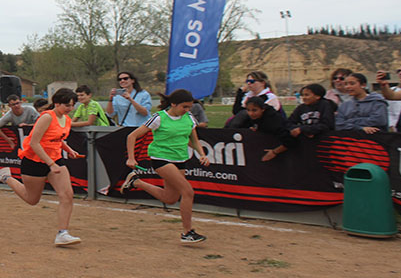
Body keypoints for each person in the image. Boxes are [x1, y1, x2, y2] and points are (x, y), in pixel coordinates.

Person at [0, 88, 85, 247]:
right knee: (32, 199)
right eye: (67, 105)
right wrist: (50, 164)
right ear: (57, 103)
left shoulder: (66, 119)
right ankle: (6, 177)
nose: (70, 108)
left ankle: (62, 233)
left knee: (67, 194)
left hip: (55, 159)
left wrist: (69, 150)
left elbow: (57, 138)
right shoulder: (47, 117)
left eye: (72, 105)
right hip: (34, 160)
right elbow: (35, 142)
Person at [122, 89, 210, 243]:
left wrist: (201, 154)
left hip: (180, 159)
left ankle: (136, 182)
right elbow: (132, 136)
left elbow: (193, 140)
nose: (188, 110)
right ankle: (187, 232)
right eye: (184, 107)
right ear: (173, 104)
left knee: (170, 198)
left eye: (189, 107)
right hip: (161, 159)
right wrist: (131, 158)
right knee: (187, 191)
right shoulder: (159, 118)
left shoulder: (189, 118)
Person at [228, 97, 296, 162]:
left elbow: (290, 141)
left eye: (254, 110)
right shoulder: (254, 118)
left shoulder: (272, 121)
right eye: (248, 110)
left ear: (263, 109)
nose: (251, 113)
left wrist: (274, 152)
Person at [375, 63, 401, 132]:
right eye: (398, 71)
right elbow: (391, 96)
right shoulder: (397, 90)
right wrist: (384, 84)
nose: (400, 73)